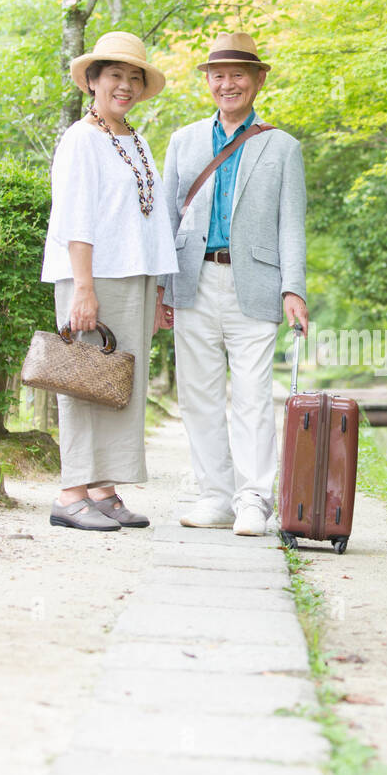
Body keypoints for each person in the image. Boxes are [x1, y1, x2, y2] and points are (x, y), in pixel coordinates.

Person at [157, 31, 308, 536]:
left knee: (251, 394)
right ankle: (214, 496)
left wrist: (295, 288)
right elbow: (165, 219)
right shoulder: (183, 141)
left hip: (257, 284)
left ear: (258, 79)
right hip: (191, 279)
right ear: (207, 81)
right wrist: (162, 288)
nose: (227, 84)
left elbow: (292, 223)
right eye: (217, 75)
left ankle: (253, 499)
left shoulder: (282, 146)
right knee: (198, 394)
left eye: (238, 74)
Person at [41, 31, 178, 530]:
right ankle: (69, 493)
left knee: (118, 383)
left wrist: (160, 290)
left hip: (134, 275)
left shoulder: (134, 140)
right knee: (81, 381)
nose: (125, 85)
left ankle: (102, 488)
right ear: (93, 82)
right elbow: (76, 217)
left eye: (134, 78)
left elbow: (150, 219)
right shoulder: (82, 139)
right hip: (93, 275)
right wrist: (83, 288)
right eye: (115, 75)